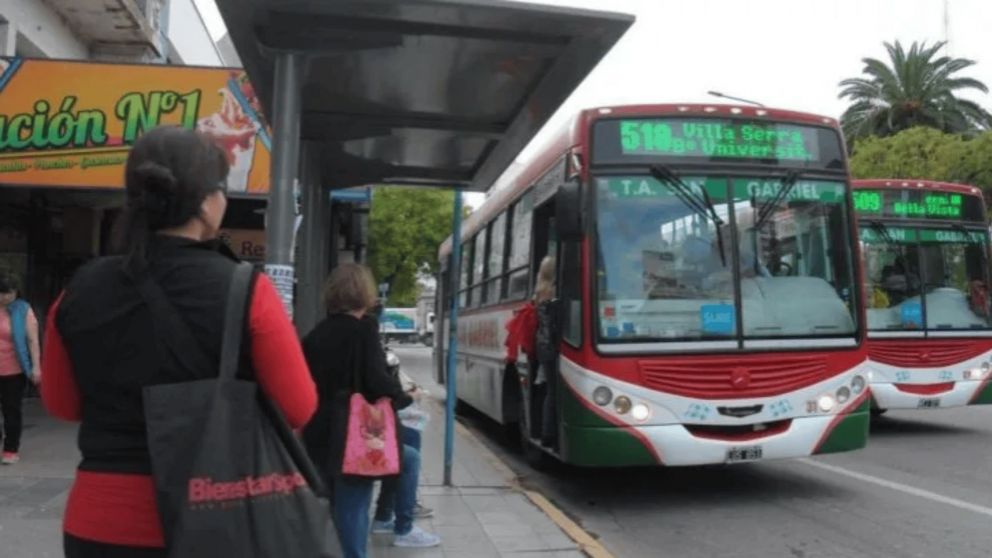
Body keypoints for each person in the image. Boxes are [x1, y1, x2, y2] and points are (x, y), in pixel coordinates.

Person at [41, 126, 318, 558]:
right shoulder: (247, 290)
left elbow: (62, 405)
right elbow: (299, 406)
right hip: (214, 515)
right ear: (207, 202)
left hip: (100, 521)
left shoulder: (77, 290)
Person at [302, 264, 441, 558]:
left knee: (333, 502)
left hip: (318, 431)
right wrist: (403, 398)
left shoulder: (315, 334)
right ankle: (382, 528)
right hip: (353, 432)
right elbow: (376, 379)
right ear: (364, 293)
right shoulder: (364, 329)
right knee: (354, 503)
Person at [0, 269, 41, 465]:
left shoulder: (23, 310)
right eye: (3, 292)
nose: (7, 296)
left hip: (13, 371)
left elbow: (33, 341)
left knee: (11, 411)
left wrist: (36, 367)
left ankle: (10, 448)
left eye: (11, 292)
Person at [534, 256, 561, 447]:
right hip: (553, 348)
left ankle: (546, 433)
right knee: (554, 392)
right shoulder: (554, 293)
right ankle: (549, 434)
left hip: (542, 347)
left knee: (550, 391)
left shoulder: (539, 293)